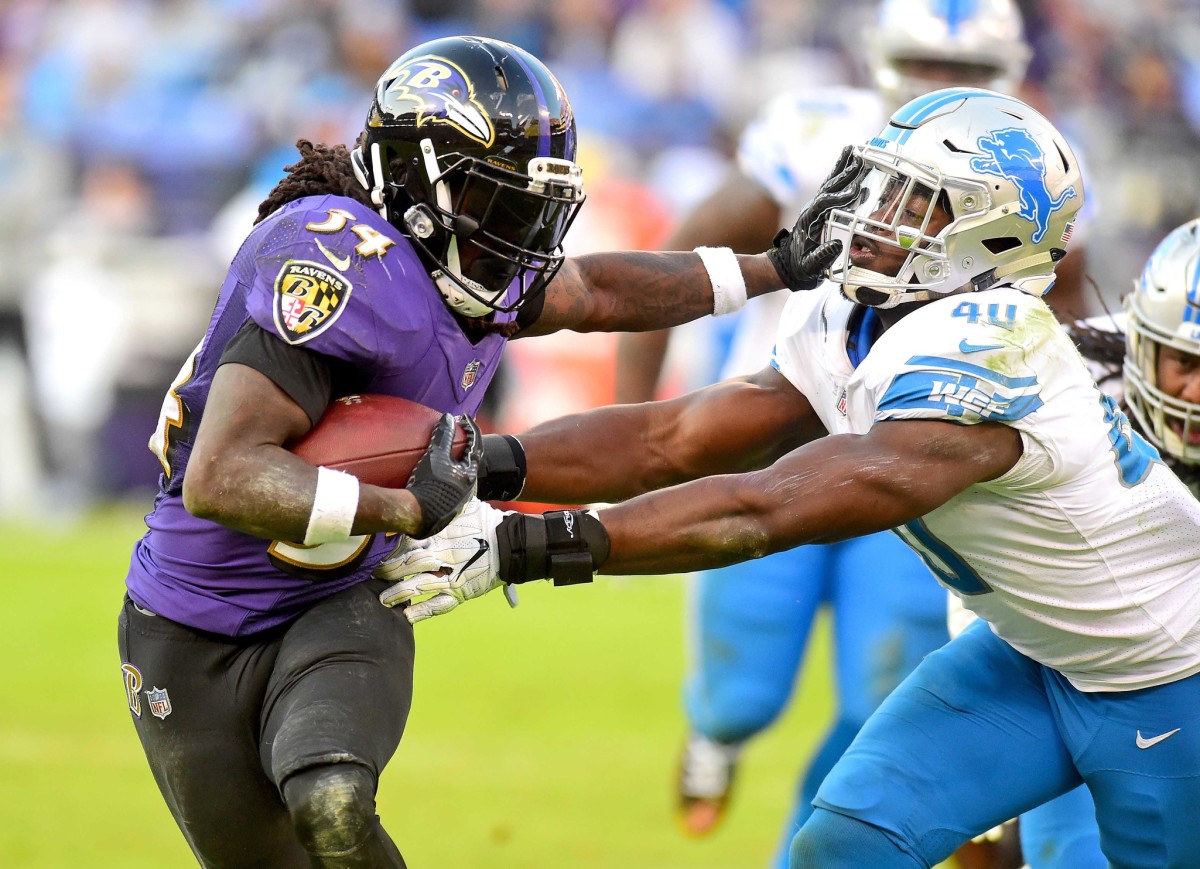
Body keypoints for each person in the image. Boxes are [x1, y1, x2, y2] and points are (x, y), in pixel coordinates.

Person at [380, 89, 1200, 868]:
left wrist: (529, 544)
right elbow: (679, 435)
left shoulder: (995, 348)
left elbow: (767, 506)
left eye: (915, 202)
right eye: (883, 186)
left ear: (989, 239)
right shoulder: (855, 310)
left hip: (1165, 676)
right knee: (843, 844)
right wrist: (484, 461)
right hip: (1029, 651)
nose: (875, 214)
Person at [116, 35, 817, 868]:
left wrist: (772, 268)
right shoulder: (338, 263)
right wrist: (406, 505)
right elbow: (224, 475)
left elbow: (596, 291)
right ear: (416, 186)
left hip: (337, 594)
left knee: (332, 803)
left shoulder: (469, 263)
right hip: (189, 623)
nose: (521, 235)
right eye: (500, 203)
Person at [612, 3, 1038, 863]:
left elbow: (1071, 325)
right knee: (743, 692)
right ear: (883, 60)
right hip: (782, 432)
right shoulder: (819, 139)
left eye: (966, 69)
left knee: (882, 694)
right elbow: (683, 260)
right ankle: (716, 732)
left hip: (919, 459)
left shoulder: (1041, 167)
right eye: (921, 61)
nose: (943, 85)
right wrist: (641, 422)